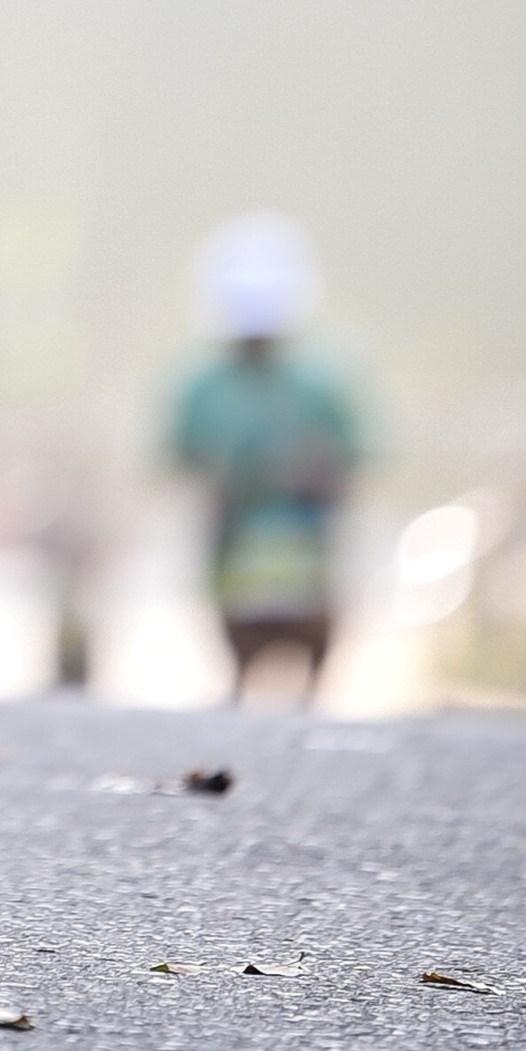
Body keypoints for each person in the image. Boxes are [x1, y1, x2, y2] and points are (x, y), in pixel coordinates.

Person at [167, 214, 365, 699]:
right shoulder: (204, 386)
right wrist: (220, 479)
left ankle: (312, 694)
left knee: (311, 648)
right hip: (235, 548)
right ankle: (238, 686)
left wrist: (315, 472)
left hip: (306, 547)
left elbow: (354, 458)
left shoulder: (321, 382)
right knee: (241, 649)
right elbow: (180, 459)